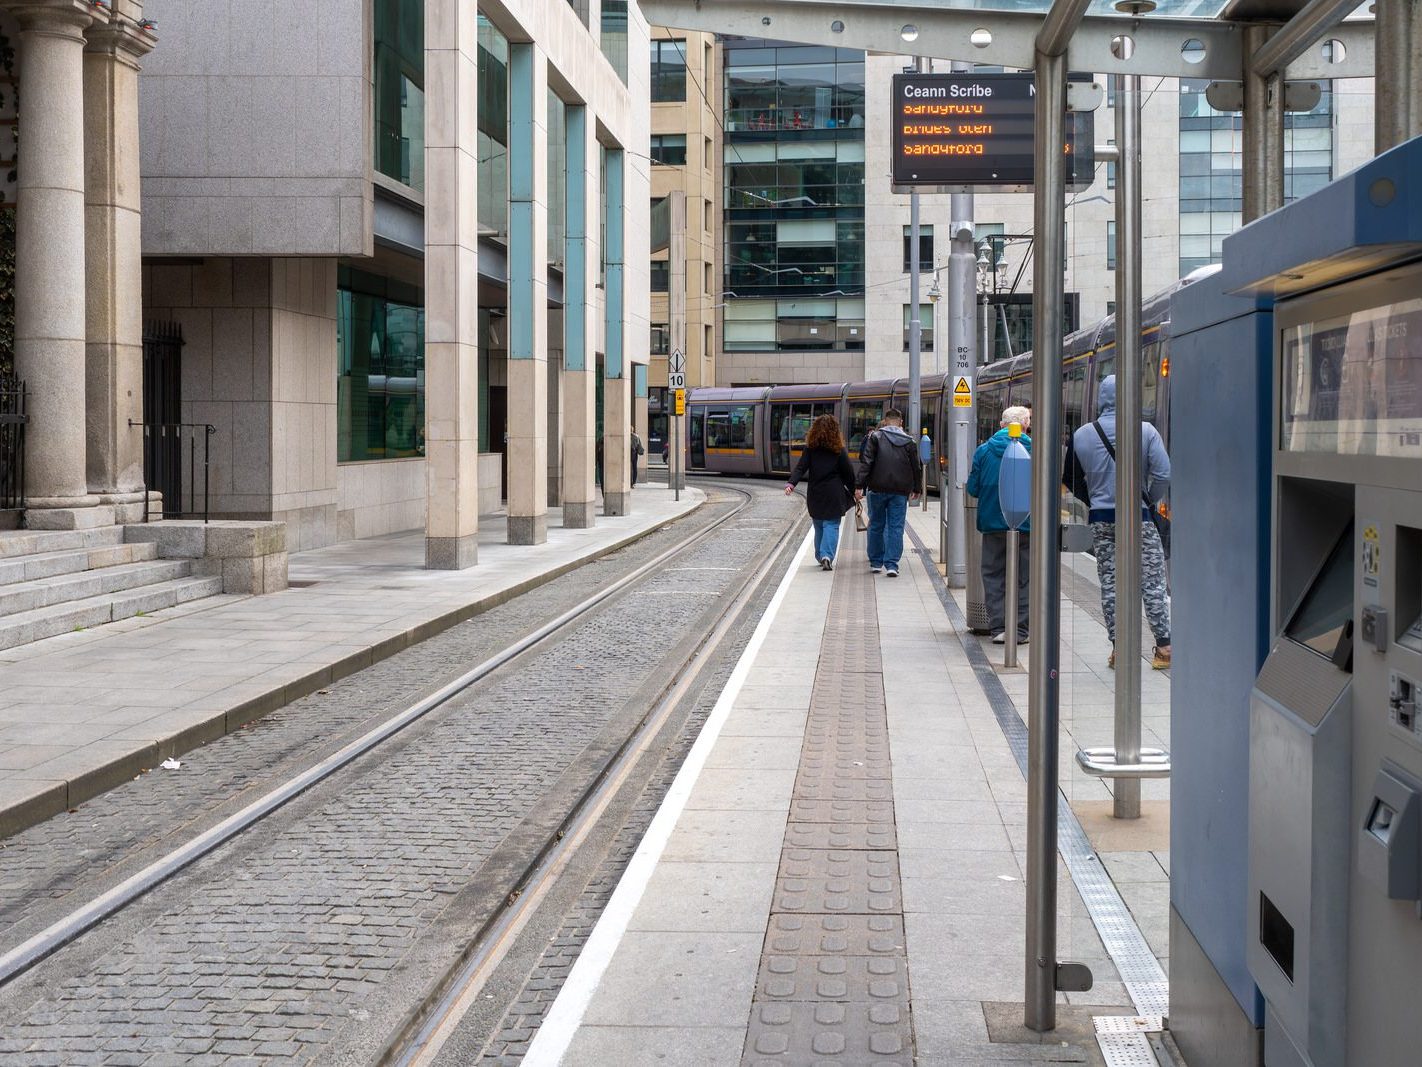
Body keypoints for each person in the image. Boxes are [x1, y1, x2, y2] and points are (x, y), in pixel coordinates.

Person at [1064, 375, 1172, 670]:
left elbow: (1069, 477)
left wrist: (1093, 499)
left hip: (1102, 520)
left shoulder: (1083, 434)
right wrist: (1149, 500)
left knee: (1111, 585)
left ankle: (1119, 649)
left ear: (1101, 398)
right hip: (1139, 518)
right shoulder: (1146, 431)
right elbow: (1164, 474)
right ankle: (1164, 647)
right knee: (1152, 582)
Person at [966, 406, 1031, 645]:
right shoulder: (1035, 449)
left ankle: (999, 628)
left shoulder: (983, 451)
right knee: (1025, 577)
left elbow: (973, 489)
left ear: (1002, 425)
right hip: (1027, 525)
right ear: (1024, 425)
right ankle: (1022, 630)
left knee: (994, 576)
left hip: (993, 523)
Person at [854, 407, 922, 578]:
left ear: (884, 421)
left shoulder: (875, 437)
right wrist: (917, 488)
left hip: (877, 488)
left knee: (876, 524)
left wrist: (859, 485)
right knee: (896, 526)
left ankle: (876, 562)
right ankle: (892, 564)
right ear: (901, 422)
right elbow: (916, 467)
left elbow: (866, 462)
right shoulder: (909, 442)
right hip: (899, 491)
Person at [784, 414, 856, 571]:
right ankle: (826, 556)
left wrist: (791, 483)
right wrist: (854, 490)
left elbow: (801, 467)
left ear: (814, 431)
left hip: (815, 492)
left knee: (819, 525)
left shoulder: (810, 449)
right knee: (832, 524)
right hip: (834, 492)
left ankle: (820, 555)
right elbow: (848, 472)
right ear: (835, 431)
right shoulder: (839, 450)